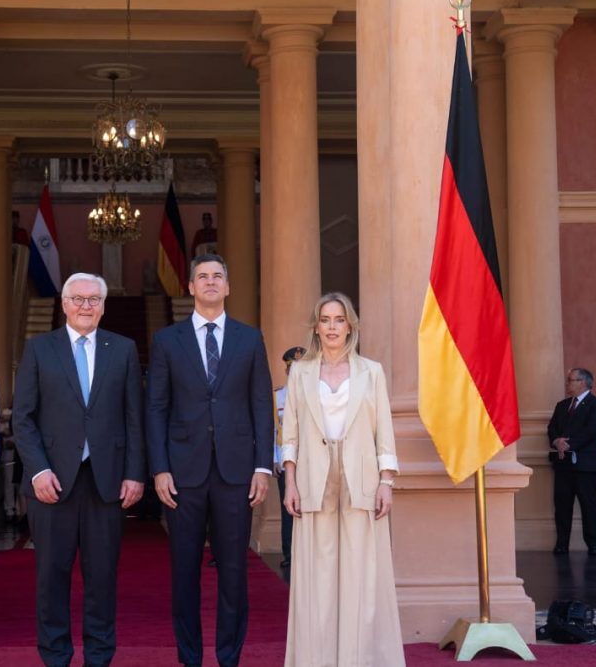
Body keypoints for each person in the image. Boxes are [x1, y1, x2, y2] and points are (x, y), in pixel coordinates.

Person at [147, 253, 273, 667]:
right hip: (183, 473)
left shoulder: (250, 339)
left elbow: (260, 405)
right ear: (190, 287)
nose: (211, 282)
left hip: (237, 472)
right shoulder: (167, 341)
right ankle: (189, 657)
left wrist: (262, 466)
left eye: (218, 275)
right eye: (202, 276)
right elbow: (157, 408)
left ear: (228, 286)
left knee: (234, 573)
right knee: (184, 573)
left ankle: (229, 657)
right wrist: (160, 468)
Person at [12, 272, 145, 667]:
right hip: (51, 483)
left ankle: (99, 657)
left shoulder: (122, 349)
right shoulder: (40, 349)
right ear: (64, 304)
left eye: (93, 299)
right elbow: (23, 418)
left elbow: (134, 416)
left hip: (106, 483)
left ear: (103, 306)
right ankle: (55, 656)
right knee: (51, 577)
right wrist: (37, 471)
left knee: (101, 577)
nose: (86, 305)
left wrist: (135, 472)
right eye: (78, 298)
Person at [280, 292, 404, 667]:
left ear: (350, 325)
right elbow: (291, 433)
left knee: (362, 577)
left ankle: (362, 658)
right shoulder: (301, 372)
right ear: (315, 327)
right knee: (316, 579)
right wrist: (290, 481)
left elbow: (384, 428)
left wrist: (387, 481)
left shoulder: (372, 371)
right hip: (313, 481)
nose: (332, 327)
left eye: (339, 319)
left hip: (362, 481)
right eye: (325, 320)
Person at [547, 368, 596, 556]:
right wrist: (557, 441)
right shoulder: (562, 405)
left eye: (571, 380)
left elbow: (593, 430)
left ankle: (593, 545)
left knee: (588, 505)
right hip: (563, 464)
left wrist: (569, 444)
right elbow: (552, 428)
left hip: (586, 465)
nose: (568, 384)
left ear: (583, 382)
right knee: (562, 505)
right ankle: (562, 544)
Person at [274, 346, 306, 569]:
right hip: (286, 461)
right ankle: (290, 553)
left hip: (311, 462)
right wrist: (274, 458)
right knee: (288, 510)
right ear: (287, 371)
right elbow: (273, 431)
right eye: (292, 368)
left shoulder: (316, 394)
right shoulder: (277, 397)